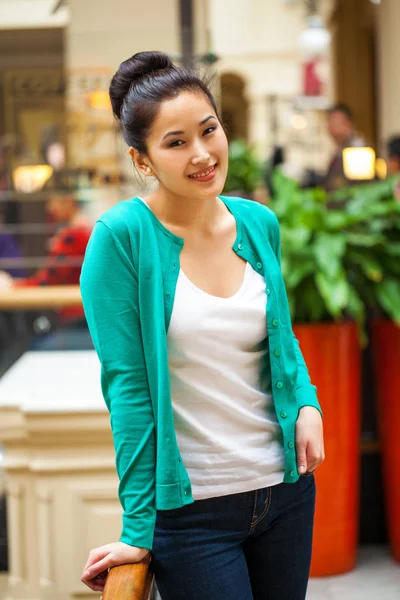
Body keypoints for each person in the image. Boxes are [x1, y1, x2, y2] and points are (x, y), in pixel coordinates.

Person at [79, 51, 324, 600]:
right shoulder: (121, 239)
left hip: (284, 492)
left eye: (208, 130)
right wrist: (137, 529)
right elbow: (130, 390)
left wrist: (306, 401)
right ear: (143, 161)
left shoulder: (259, 224)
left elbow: (279, 341)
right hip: (192, 517)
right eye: (176, 142)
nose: (202, 153)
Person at [0, 191, 92, 322]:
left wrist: (14, 286)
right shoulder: (82, 230)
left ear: (68, 201)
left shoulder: (74, 235)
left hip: (75, 317)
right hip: (81, 314)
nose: (50, 207)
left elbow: (48, 279)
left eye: (53, 201)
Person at [324, 103, 366, 192]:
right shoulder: (341, 149)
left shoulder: (357, 151)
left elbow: (360, 189)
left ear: (350, 124)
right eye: (330, 124)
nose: (333, 130)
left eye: (337, 124)